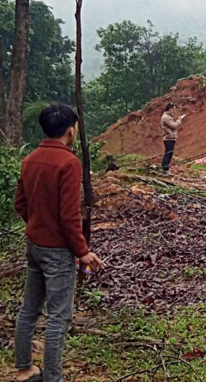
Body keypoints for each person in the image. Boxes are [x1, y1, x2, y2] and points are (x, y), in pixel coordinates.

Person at [13, 103, 106, 382]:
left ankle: (24, 369)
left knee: (29, 309)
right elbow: (69, 216)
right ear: (71, 130)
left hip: (34, 246)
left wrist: (39, 223)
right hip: (57, 252)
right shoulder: (69, 163)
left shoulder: (30, 159)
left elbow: (20, 203)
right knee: (58, 317)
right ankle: (52, 378)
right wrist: (82, 251)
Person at [160, 102, 184, 175]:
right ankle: (165, 168)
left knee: (169, 153)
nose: (174, 111)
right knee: (168, 153)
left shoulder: (168, 117)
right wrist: (179, 120)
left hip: (170, 137)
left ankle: (165, 168)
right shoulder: (166, 117)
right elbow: (174, 126)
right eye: (173, 109)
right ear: (170, 109)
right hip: (168, 138)